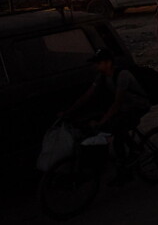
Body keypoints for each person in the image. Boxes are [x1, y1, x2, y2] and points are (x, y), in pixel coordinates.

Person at [60, 49, 152, 185]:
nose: (95, 66)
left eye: (98, 63)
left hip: (138, 106)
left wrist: (102, 121)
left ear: (108, 63)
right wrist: (69, 111)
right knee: (115, 128)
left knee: (117, 137)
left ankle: (126, 170)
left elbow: (117, 103)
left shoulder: (122, 75)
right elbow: (87, 95)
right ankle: (131, 153)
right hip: (124, 107)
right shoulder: (102, 76)